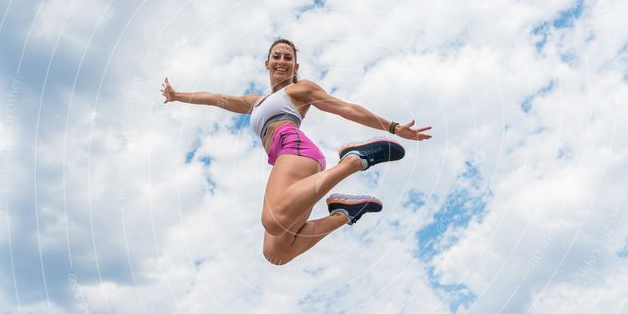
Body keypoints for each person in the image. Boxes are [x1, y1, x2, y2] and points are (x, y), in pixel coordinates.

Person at [161, 38, 431, 265]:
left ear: (295, 66)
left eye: (287, 58)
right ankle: (344, 213)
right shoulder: (255, 102)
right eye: (276, 56)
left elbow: (346, 108)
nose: (281, 61)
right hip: (284, 159)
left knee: (274, 220)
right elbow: (215, 99)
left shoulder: (301, 89)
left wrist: (393, 127)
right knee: (276, 252)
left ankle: (354, 161)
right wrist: (178, 96)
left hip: (295, 149)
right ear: (267, 63)